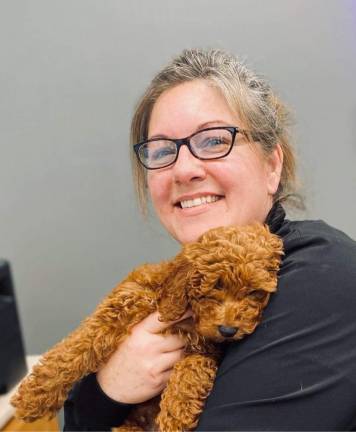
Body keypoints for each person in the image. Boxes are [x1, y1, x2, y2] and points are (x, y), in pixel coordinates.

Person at [63, 48, 356, 431]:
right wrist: (105, 392)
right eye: (163, 150)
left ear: (272, 165)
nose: (184, 169)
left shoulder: (324, 276)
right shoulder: (183, 293)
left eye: (215, 140)